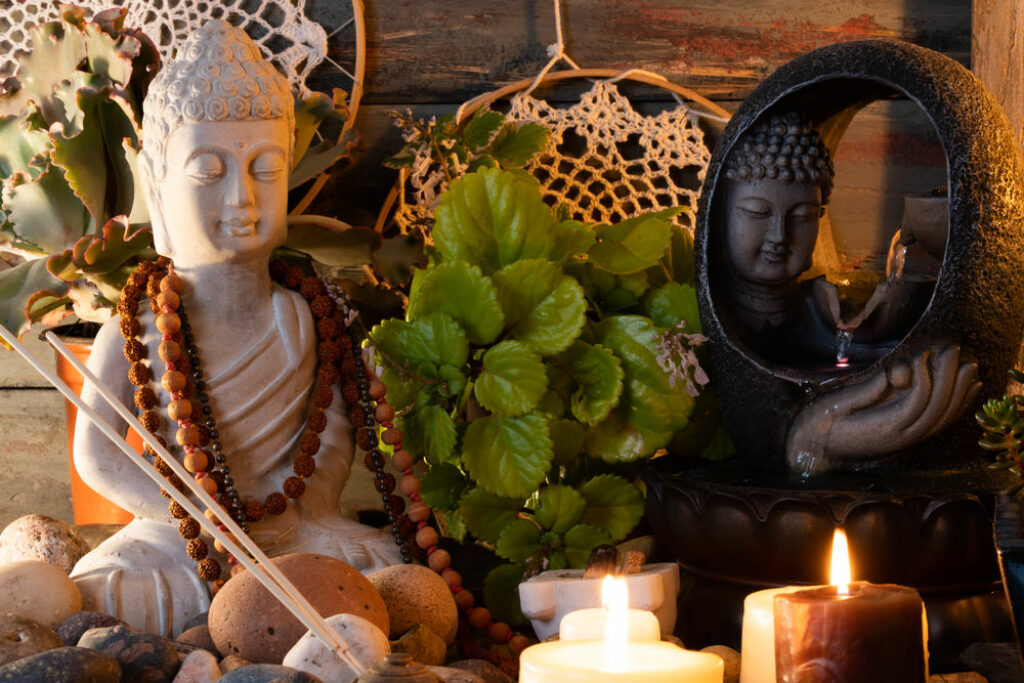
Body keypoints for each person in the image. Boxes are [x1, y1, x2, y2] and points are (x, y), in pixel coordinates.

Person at [70, 21, 400, 635]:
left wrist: (309, 513)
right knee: (110, 588)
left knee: (384, 564)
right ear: (153, 182)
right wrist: (196, 514)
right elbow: (97, 458)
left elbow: (327, 442)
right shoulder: (137, 326)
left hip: (292, 531)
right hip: (182, 537)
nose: (242, 198)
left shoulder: (306, 315)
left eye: (265, 168)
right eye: (208, 171)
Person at [715, 111, 979, 474]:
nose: (779, 235)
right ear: (721, 215)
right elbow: (755, 436)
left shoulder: (827, 313)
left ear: (820, 215)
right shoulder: (712, 326)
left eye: (802, 216)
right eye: (758, 213)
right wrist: (812, 439)